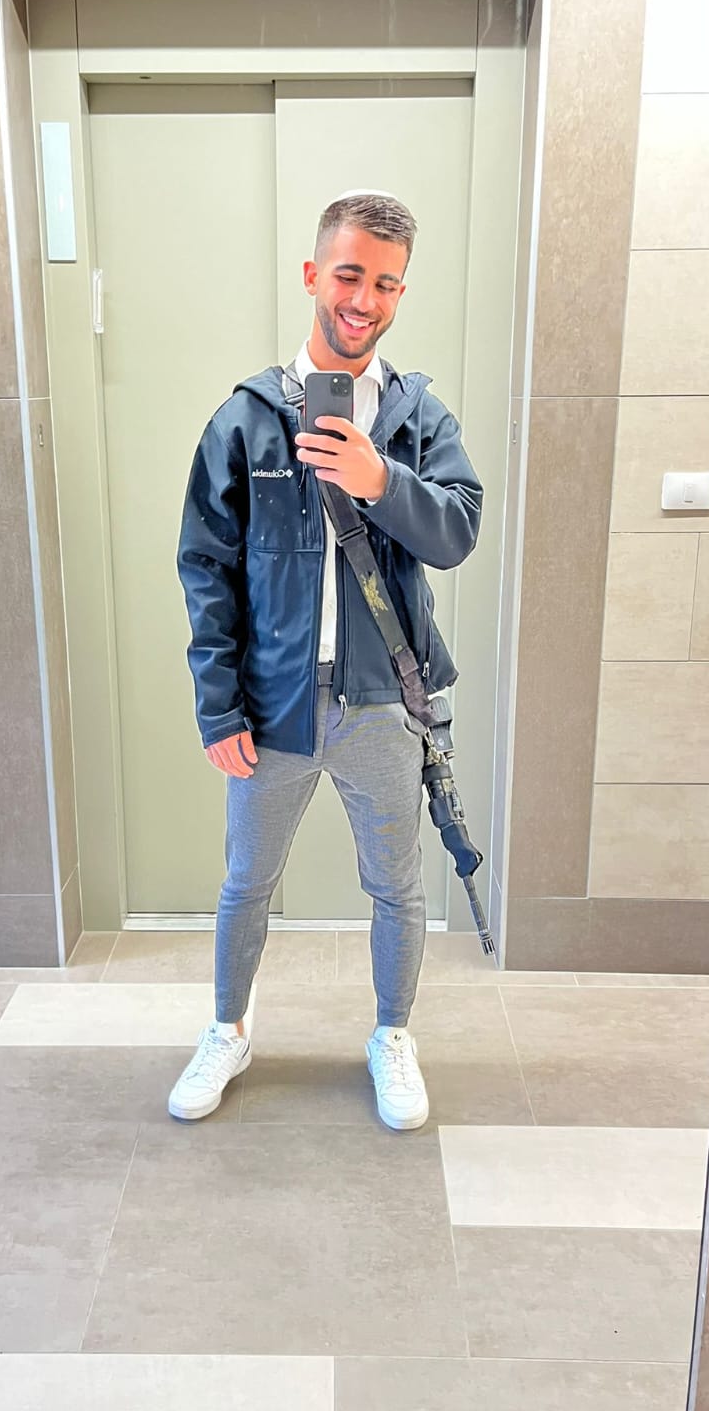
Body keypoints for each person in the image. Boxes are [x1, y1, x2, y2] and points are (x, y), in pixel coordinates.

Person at [170, 190, 483, 1130]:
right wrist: (219, 705)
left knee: (396, 886)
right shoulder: (246, 420)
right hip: (273, 710)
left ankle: (392, 1034)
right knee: (246, 883)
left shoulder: (418, 419)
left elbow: (457, 531)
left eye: (386, 284)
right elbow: (206, 567)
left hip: (384, 703)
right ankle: (228, 1028)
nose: (364, 300)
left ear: (400, 293)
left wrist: (381, 481)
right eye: (350, 275)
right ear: (314, 275)